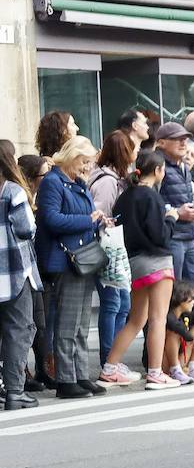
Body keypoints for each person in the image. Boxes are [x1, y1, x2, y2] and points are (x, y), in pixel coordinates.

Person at [36, 137, 109, 399]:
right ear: (70, 156)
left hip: (82, 259)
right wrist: (87, 219)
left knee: (79, 325)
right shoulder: (53, 182)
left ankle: (80, 375)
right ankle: (66, 380)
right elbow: (51, 219)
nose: (88, 167)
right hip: (66, 261)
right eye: (84, 161)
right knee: (67, 324)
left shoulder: (77, 182)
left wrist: (98, 221)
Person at [104, 147, 181, 390]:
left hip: (134, 262)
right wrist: (171, 218)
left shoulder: (124, 197)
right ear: (158, 170)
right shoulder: (152, 196)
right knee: (158, 318)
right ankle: (156, 373)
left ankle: (110, 367)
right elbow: (161, 236)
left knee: (136, 319)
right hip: (157, 261)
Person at [90, 130, 136, 367]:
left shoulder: (111, 178)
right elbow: (98, 215)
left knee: (122, 304)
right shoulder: (107, 181)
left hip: (113, 249)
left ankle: (113, 358)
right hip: (107, 249)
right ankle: (109, 359)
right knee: (113, 303)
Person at [0, 140, 40, 409]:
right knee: (19, 328)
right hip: (13, 271)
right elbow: (26, 229)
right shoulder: (12, 191)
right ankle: (14, 390)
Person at [155, 122, 194, 319]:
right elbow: (153, 203)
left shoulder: (183, 166)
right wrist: (177, 211)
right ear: (161, 143)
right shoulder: (158, 166)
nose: (183, 143)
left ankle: (193, 340)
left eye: (185, 138)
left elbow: (183, 200)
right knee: (173, 294)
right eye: (177, 139)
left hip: (189, 236)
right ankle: (173, 343)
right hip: (173, 237)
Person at [18, 154, 53, 391]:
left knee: (39, 322)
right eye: (44, 174)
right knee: (23, 324)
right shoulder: (19, 196)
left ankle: (42, 368)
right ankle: (21, 371)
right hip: (23, 269)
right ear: (32, 177)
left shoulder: (37, 198)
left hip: (36, 269)